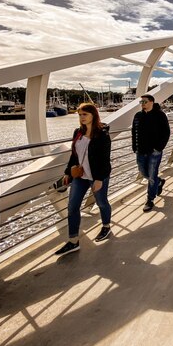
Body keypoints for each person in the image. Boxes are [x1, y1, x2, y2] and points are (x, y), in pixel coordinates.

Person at [55, 103, 112, 256]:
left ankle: (106, 226)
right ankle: (73, 241)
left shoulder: (102, 135)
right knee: (72, 206)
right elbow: (74, 155)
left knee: (101, 202)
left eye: (85, 114)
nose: (82, 118)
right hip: (80, 176)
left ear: (93, 115)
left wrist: (99, 179)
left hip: (97, 176)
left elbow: (104, 160)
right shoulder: (78, 133)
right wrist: (68, 172)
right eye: (80, 115)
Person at [132, 94, 170, 212]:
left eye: (145, 102)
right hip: (140, 150)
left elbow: (166, 132)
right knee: (143, 172)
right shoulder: (138, 116)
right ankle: (159, 182)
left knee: (152, 175)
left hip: (154, 151)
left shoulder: (160, 115)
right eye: (141, 102)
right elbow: (134, 132)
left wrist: (158, 147)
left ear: (152, 102)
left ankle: (150, 199)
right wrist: (135, 146)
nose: (143, 104)